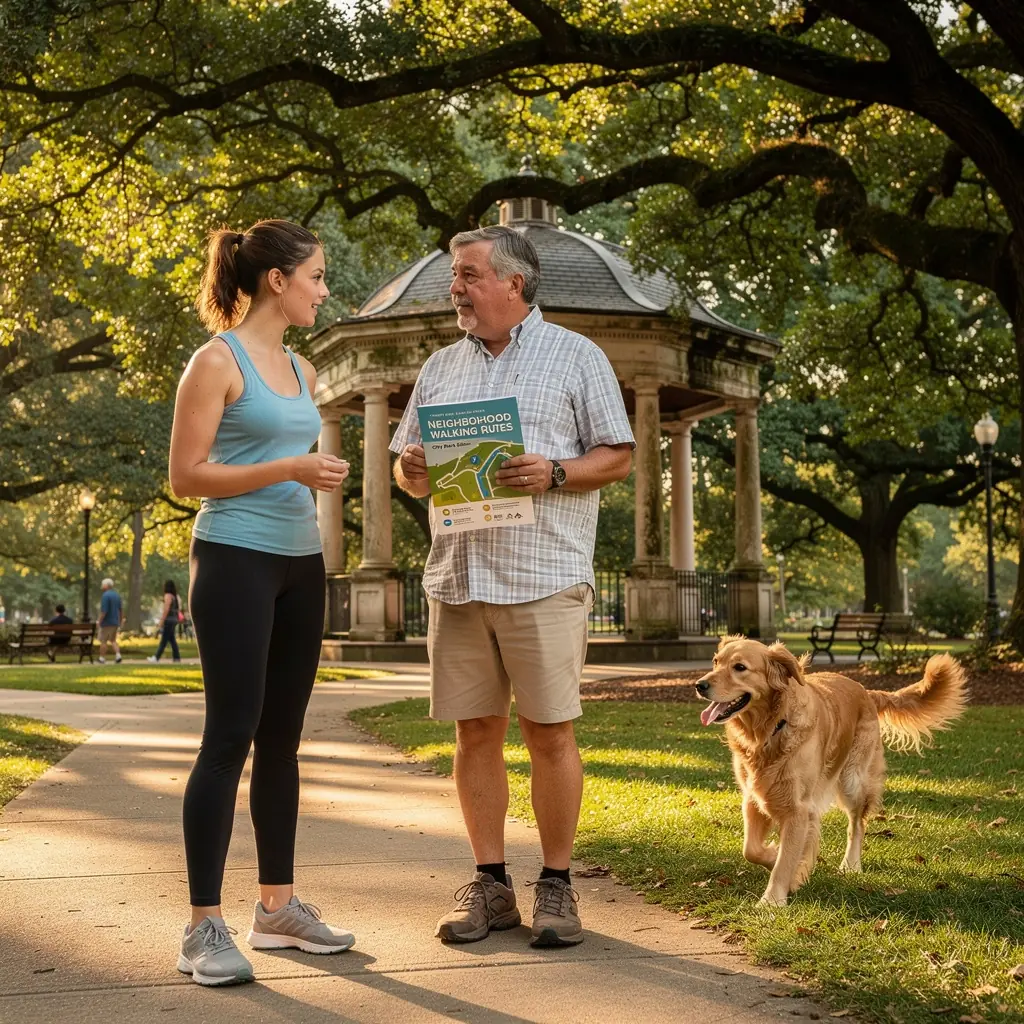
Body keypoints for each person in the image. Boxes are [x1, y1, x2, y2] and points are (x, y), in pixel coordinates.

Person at [391, 225, 634, 948]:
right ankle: (490, 885)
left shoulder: (576, 355)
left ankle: (556, 888)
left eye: (467, 275)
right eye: (454, 278)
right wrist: (409, 471)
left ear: (513, 284)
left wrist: (554, 471)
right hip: (459, 577)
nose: (455, 289)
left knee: (549, 733)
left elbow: (617, 456)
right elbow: (411, 463)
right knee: (474, 734)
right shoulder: (440, 366)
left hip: (543, 576)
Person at [168, 219, 353, 987]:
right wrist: (290, 466)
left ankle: (276, 907)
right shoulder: (216, 360)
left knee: (283, 741)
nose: (323, 288)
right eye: (315, 275)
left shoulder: (303, 366)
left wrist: (309, 473)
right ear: (277, 280)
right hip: (235, 558)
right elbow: (187, 476)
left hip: (299, 562)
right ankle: (202, 926)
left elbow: (294, 463)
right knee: (229, 736)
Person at [147, 580, 183, 663]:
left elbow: (166, 609)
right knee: (172, 640)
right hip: (174, 619)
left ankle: (156, 657)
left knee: (164, 640)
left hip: (168, 620)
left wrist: (162, 620)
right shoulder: (175, 597)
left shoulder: (168, 596)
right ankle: (176, 657)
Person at [97, 578, 122, 664]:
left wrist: (99, 621)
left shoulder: (105, 596)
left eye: (103, 584)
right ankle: (118, 655)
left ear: (106, 585)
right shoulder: (117, 595)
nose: (102, 586)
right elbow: (120, 609)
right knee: (113, 640)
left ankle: (102, 658)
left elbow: (104, 611)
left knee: (103, 641)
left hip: (107, 622)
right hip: (115, 621)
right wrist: (120, 621)